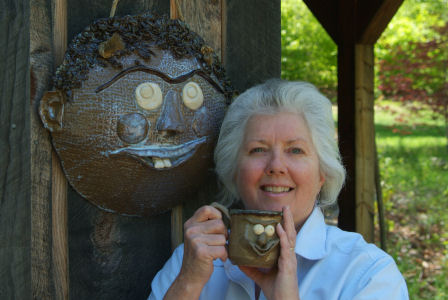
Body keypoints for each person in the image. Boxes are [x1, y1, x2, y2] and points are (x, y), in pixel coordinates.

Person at [148, 79, 409, 300]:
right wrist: (189, 284)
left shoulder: (366, 273)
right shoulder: (192, 260)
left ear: (322, 173)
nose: (276, 166)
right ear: (235, 171)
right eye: (258, 150)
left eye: (295, 150)